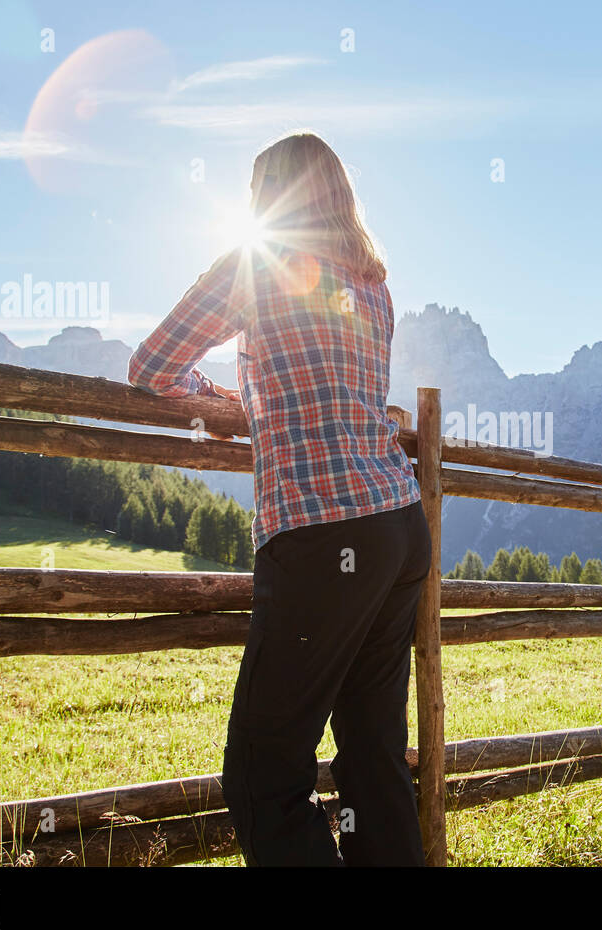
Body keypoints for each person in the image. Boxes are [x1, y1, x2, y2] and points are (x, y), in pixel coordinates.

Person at [128, 131, 429, 866]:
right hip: (397, 523)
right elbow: (338, 391)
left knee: (264, 773)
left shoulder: (255, 265)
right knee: (373, 762)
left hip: (321, 534)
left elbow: (152, 364)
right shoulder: (371, 282)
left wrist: (211, 394)